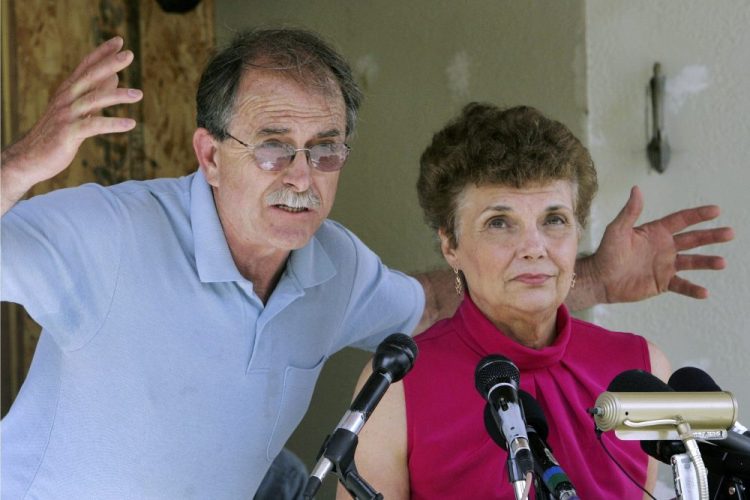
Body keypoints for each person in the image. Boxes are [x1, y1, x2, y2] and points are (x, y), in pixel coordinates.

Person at [0, 29, 732, 499]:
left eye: (325, 148)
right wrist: (23, 163)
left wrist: (592, 275)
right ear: (208, 155)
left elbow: (442, 302)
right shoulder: (108, 231)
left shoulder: (331, 265)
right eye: (272, 143)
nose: (301, 173)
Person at [339, 104, 692, 499]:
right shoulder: (397, 384)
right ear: (450, 245)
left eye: (554, 219)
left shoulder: (641, 369)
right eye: (499, 223)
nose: (533, 248)